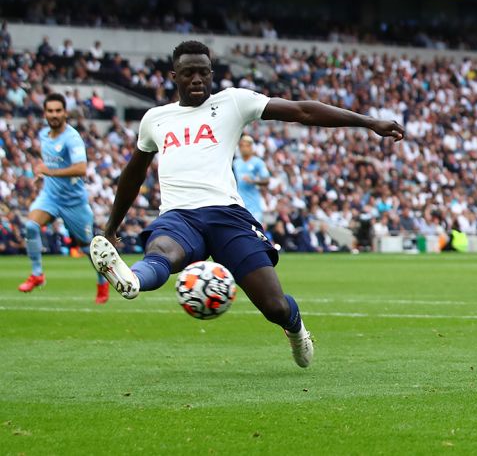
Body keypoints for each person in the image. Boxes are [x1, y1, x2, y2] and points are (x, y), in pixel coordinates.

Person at [89, 41, 405, 368]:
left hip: (227, 216)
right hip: (178, 216)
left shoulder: (233, 102)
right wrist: (111, 227)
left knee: (275, 307)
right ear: (174, 76)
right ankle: (132, 279)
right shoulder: (155, 119)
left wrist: (368, 122)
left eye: (203, 72)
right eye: (188, 73)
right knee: (162, 253)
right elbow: (133, 174)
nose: (196, 79)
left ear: (212, 74)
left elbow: (302, 111)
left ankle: (296, 331)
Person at [18, 92, 109, 303]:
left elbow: (81, 168)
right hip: (50, 197)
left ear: (65, 112)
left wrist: (49, 172)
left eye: (58, 110)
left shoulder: (72, 137)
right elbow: (52, 163)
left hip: (74, 203)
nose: (54, 114)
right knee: (31, 226)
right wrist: (42, 175)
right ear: (45, 113)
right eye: (50, 111)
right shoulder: (43, 135)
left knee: (88, 249)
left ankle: (102, 283)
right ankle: (37, 274)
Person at [233, 136, 270, 225]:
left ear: (251, 147)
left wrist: (253, 181)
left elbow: (266, 180)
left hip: (254, 205)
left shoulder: (258, 162)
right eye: (242, 146)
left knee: (255, 233)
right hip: (239, 204)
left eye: (247, 146)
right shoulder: (235, 163)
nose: (244, 148)